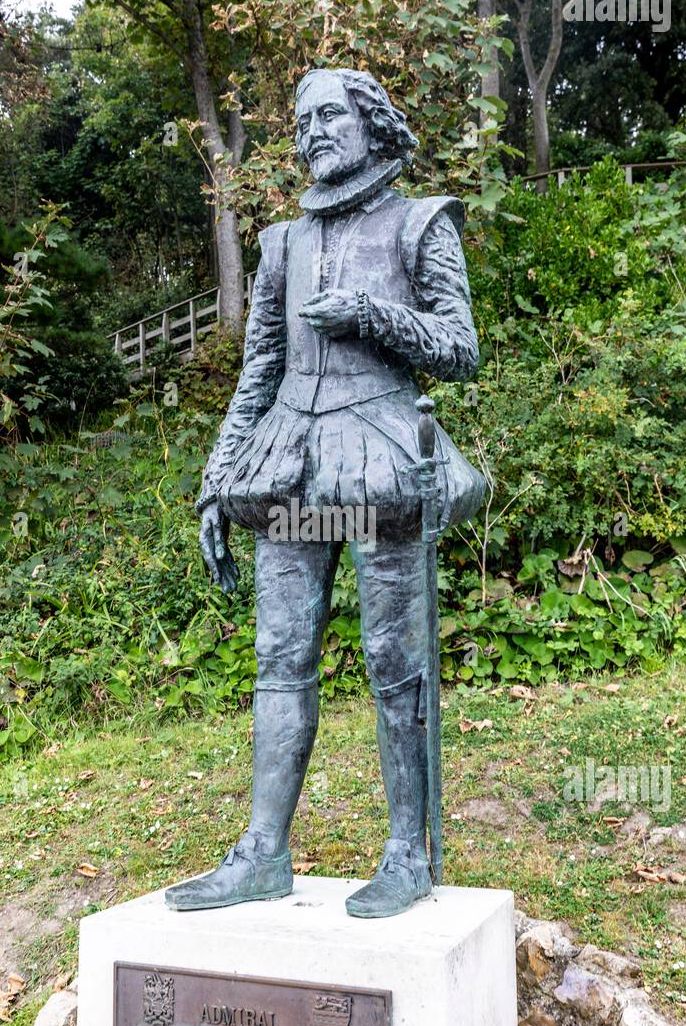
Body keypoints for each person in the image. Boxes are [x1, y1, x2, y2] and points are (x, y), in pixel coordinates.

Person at [165, 67, 485, 919]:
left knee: (394, 661)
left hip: (381, 464)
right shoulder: (281, 245)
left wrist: (372, 317)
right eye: (300, 119)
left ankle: (406, 853)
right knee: (280, 658)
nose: (311, 131)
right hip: (291, 470)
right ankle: (263, 851)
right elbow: (257, 373)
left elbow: (461, 348)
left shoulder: (421, 224)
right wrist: (214, 483)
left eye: (329, 114)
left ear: (373, 123)